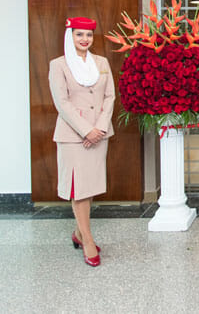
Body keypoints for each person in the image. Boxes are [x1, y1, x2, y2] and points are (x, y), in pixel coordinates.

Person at [48, 17, 115, 267]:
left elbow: (110, 97)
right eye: (79, 35)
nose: (85, 39)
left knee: (89, 187)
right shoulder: (59, 65)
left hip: (99, 133)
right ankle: (87, 240)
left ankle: (77, 233)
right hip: (73, 136)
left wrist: (98, 128)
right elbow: (62, 103)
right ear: (70, 36)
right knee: (79, 189)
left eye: (88, 35)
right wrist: (86, 130)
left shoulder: (102, 62)